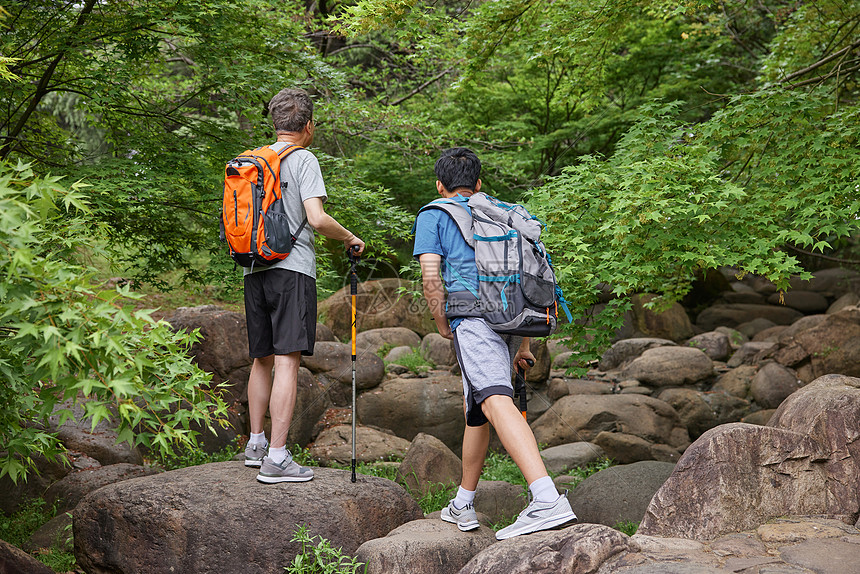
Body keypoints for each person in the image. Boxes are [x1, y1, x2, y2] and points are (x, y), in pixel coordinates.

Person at [413, 147, 577, 540]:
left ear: (440, 184)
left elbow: (431, 278)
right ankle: (463, 502)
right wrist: (523, 344)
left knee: (494, 399)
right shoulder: (498, 211)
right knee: (479, 408)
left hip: (470, 318)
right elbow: (519, 284)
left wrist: (442, 324)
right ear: (478, 184)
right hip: (507, 320)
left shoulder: (434, 214)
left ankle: (546, 498)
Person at [242, 88, 365, 483]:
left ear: (275, 123)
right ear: (308, 126)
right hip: (291, 270)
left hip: (254, 268)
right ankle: (277, 459)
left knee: (261, 358)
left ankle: (256, 444)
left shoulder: (253, 160)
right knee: (287, 361)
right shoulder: (303, 158)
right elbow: (316, 218)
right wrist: (348, 237)